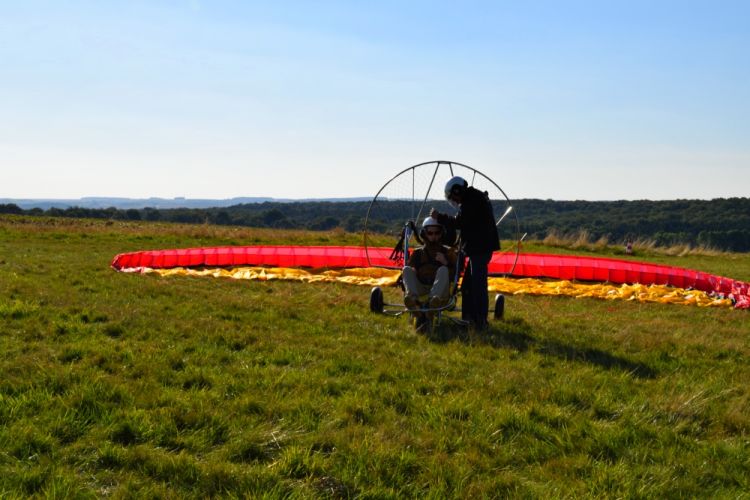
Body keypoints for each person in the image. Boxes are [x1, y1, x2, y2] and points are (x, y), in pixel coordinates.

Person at [431, 176, 500, 330]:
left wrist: (439, 217)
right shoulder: (473, 197)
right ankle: (469, 318)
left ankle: (480, 321)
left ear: (457, 190)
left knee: (478, 285)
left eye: (453, 196)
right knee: (469, 285)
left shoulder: (472, 200)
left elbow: (460, 222)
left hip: (480, 249)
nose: (454, 200)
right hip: (478, 248)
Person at [402, 216, 458, 330]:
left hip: (440, 291)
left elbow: (455, 277)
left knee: (443, 270)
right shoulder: (418, 253)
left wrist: (446, 262)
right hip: (422, 287)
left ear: (441, 234)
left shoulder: (448, 252)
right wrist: (413, 271)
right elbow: (409, 274)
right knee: (406, 269)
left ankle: (432, 304)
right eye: (430, 233)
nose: (434, 236)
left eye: (437, 233)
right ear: (425, 234)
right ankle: (413, 302)